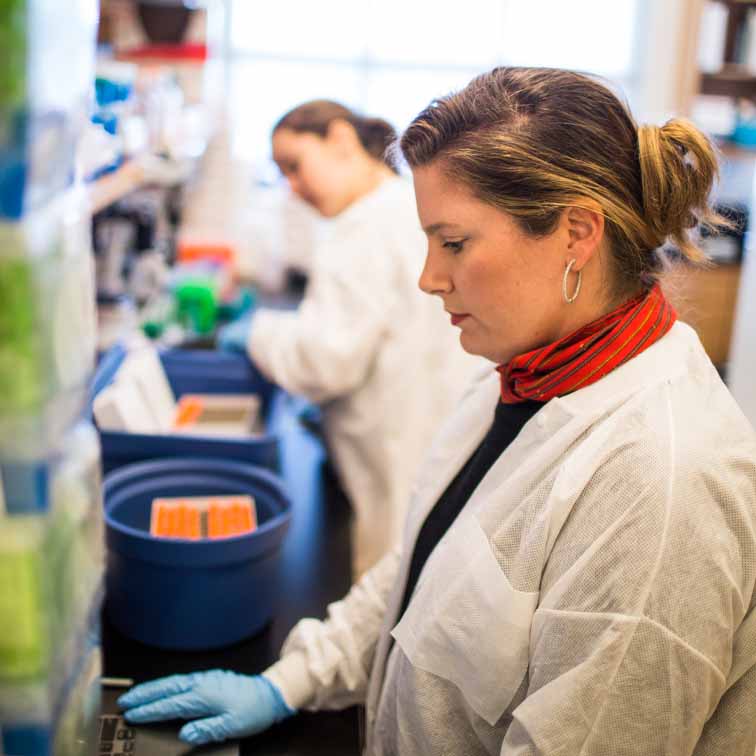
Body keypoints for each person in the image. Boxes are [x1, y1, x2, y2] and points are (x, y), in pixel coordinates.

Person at [119, 68, 756, 755]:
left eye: (453, 243)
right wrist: (295, 679)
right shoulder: (523, 374)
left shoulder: (661, 486)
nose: (429, 278)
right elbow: (424, 570)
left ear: (576, 233)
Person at [219, 99, 483, 577]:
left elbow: (327, 359)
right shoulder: (405, 205)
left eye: (295, 167)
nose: (293, 189)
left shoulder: (362, 226)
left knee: (388, 586)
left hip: (399, 450)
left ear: (340, 140)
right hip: (431, 430)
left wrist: (256, 332)